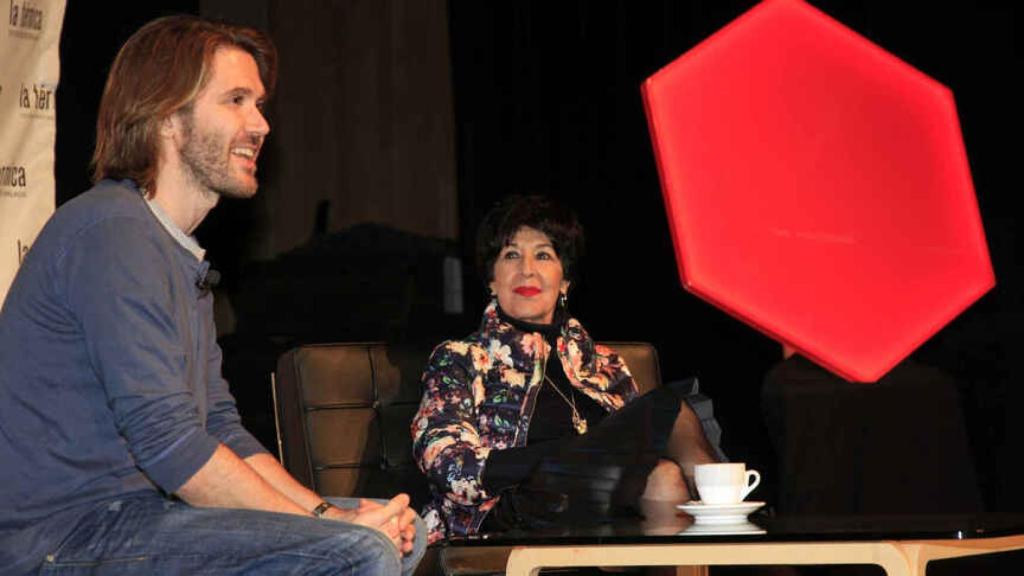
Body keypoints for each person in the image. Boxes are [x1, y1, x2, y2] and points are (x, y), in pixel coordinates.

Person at [0, 16, 423, 575]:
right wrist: (330, 523)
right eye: (236, 100)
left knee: (398, 536)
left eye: (259, 103)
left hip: (141, 518)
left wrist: (332, 515)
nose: (261, 124)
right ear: (168, 116)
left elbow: (217, 429)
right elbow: (172, 449)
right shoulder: (112, 233)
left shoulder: (172, 250)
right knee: (359, 548)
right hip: (68, 535)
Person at [411, 195, 720, 542]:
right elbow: (448, 467)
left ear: (565, 281)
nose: (526, 268)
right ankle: (727, 509)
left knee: (664, 476)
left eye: (543, 255)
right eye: (511, 254)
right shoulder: (460, 358)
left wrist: (595, 457)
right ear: (492, 281)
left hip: (602, 502)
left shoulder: (603, 365)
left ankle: (721, 512)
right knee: (671, 405)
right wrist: (569, 454)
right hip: (507, 512)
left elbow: (638, 450)